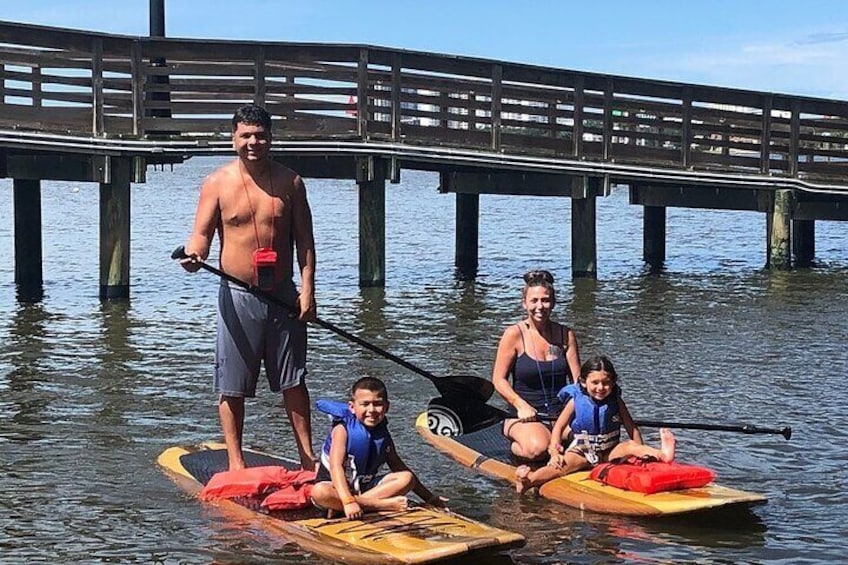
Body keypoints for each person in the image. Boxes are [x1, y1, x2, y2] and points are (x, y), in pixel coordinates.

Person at [180, 103, 317, 471]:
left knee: (293, 380)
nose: (253, 142)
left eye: (260, 135)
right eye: (246, 135)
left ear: (270, 138)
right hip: (238, 296)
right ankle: (236, 462)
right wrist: (194, 255)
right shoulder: (217, 183)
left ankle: (307, 459)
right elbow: (201, 235)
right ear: (233, 138)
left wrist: (308, 290)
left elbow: (305, 240)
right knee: (232, 384)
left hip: (284, 296)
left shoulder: (291, 182)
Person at [515, 355, 676, 493]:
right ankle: (528, 479)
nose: (601, 388)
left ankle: (662, 455)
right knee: (559, 468)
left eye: (606, 383)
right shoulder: (575, 401)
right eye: (595, 383)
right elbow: (558, 427)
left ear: (612, 383)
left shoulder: (616, 401)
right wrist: (554, 452)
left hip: (609, 450)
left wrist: (638, 455)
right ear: (584, 382)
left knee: (631, 445)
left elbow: (630, 427)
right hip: (583, 451)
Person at [310, 377, 445, 519]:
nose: (371, 410)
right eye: (365, 404)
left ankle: (348, 507)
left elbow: (397, 465)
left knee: (407, 478)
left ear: (387, 407)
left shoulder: (382, 433)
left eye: (377, 404)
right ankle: (380, 505)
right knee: (319, 492)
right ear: (352, 407)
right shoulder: (342, 430)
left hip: (366, 490)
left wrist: (430, 498)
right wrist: (348, 501)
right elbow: (336, 466)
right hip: (337, 489)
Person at [492, 269, 582, 461]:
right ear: (524, 303)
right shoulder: (513, 335)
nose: (540, 306)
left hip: (561, 414)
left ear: (553, 303)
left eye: (545, 300)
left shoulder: (565, 335)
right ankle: (517, 447)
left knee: (590, 439)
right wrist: (520, 405)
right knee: (538, 449)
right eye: (534, 301)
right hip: (525, 415)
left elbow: (578, 382)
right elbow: (499, 380)